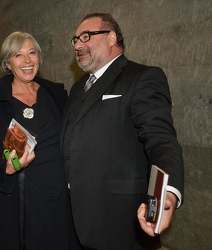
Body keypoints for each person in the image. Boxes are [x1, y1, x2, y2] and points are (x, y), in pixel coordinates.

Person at [62, 13, 184, 249]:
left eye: (86, 36)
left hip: (119, 219)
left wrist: (166, 193)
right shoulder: (77, 87)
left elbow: (161, 140)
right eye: (75, 39)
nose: (78, 44)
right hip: (78, 213)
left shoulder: (142, 78)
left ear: (111, 38)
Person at [0, 31, 79, 250]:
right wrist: (6, 168)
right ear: (7, 64)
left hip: (60, 195)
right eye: (18, 55)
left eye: (32, 52)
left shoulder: (56, 94)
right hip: (23, 200)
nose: (27, 60)